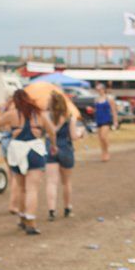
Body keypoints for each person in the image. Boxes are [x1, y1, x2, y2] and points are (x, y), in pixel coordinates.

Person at [0, 89, 57, 235]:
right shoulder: (40, 114)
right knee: (32, 189)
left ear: (15, 101)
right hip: (35, 150)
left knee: (22, 188)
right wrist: (53, 145)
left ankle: (22, 218)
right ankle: (31, 221)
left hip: (17, 151)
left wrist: (0, 109)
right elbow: (52, 131)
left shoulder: (12, 114)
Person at [44, 91, 80, 221]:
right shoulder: (70, 117)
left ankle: (51, 211)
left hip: (50, 149)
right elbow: (74, 136)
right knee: (66, 182)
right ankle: (67, 208)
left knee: (51, 182)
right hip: (65, 149)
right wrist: (80, 134)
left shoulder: (45, 116)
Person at [92, 84, 118, 162]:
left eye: (100, 89)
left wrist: (115, 121)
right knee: (100, 139)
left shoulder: (109, 99)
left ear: (104, 89)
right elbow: (96, 110)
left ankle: (106, 152)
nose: (98, 91)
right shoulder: (96, 99)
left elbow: (113, 111)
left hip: (106, 119)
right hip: (98, 119)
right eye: (97, 89)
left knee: (103, 137)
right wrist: (92, 110)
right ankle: (103, 153)